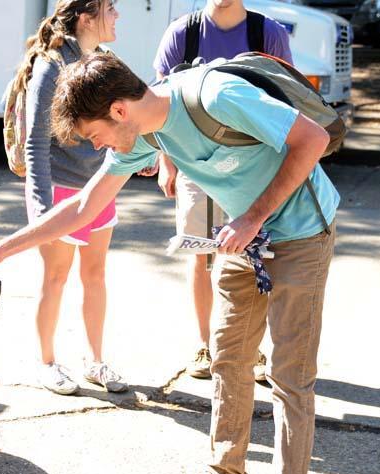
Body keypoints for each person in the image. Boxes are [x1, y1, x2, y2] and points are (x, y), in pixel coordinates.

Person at [0, 52, 337, 474]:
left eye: (93, 135)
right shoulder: (143, 132)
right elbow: (83, 206)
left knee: (290, 377)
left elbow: (311, 139)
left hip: (299, 234)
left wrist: (252, 216)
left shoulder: (214, 96)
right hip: (241, 240)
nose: (96, 147)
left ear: (118, 110)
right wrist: (0, 251)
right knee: (228, 361)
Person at [151, 0, 292, 381]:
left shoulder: (269, 33)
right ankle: (205, 344)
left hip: (253, 167)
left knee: (253, 254)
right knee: (199, 253)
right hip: (195, 164)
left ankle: (254, 349)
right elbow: (158, 101)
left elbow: (286, 98)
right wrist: (167, 160)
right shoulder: (184, 32)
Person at [17, 0, 127, 395]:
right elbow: (35, 144)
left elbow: (124, 118)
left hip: (98, 185)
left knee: (95, 276)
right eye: (110, 8)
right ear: (86, 17)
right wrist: (42, 209)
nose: (117, 16)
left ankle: (96, 362)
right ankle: (47, 363)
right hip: (59, 187)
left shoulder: (105, 61)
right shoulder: (51, 65)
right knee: (56, 278)